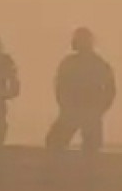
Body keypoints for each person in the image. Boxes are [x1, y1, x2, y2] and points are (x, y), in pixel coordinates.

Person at [47, 27, 115, 163]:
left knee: (90, 150)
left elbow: (110, 90)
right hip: (75, 111)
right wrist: (65, 105)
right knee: (55, 143)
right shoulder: (72, 63)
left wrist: (99, 109)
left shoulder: (98, 64)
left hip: (87, 112)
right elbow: (60, 87)